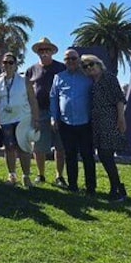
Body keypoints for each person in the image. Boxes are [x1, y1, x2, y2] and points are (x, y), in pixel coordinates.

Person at [81, 54, 128, 202]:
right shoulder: (92, 81)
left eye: (92, 64)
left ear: (99, 63)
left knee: (106, 155)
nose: (89, 68)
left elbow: (119, 99)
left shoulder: (109, 77)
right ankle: (118, 186)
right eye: (85, 66)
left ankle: (117, 189)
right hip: (96, 122)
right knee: (103, 155)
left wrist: (121, 119)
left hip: (109, 120)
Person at [50, 49, 95, 195]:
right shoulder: (58, 77)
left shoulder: (88, 76)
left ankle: (90, 187)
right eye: (67, 59)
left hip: (85, 123)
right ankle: (73, 185)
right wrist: (54, 117)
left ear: (78, 60)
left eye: (73, 58)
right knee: (70, 155)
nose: (70, 61)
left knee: (87, 155)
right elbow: (53, 98)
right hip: (66, 123)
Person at [0, 53, 39, 188]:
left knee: (24, 149)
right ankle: (12, 175)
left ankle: (26, 176)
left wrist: (36, 119)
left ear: (16, 65)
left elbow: (32, 100)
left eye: (11, 62)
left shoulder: (24, 80)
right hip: (5, 121)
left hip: (22, 119)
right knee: (9, 148)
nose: (8, 65)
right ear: (2, 64)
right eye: (5, 62)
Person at [25, 37, 68, 187]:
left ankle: (59, 176)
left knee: (60, 146)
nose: (44, 52)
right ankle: (40, 174)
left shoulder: (61, 68)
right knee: (38, 147)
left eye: (47, 50)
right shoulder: (31, 69)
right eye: (41, 50)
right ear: (37, 52)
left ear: (52, 52)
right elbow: (28, 91)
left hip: (59, 112)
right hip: (39, 112)